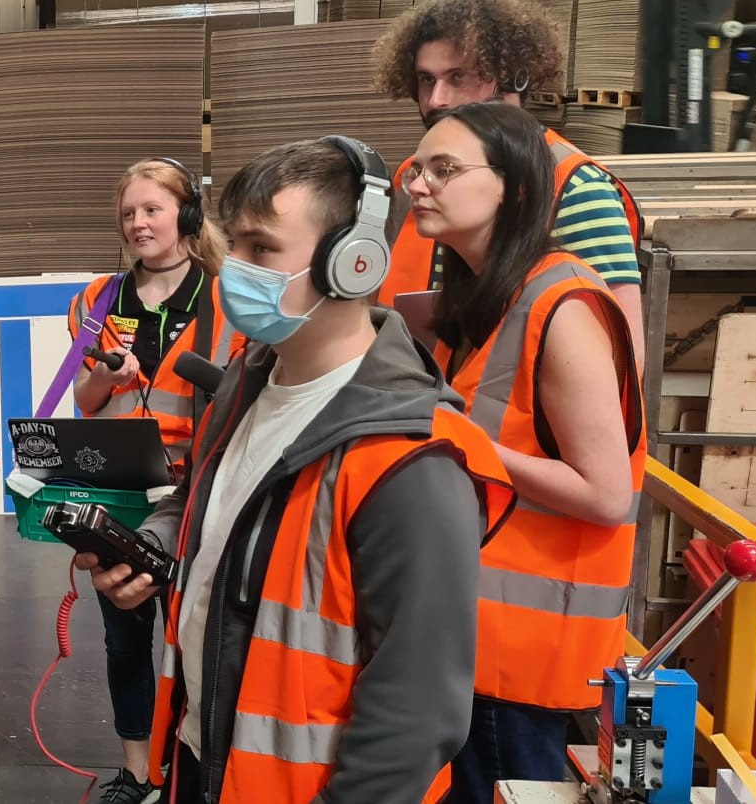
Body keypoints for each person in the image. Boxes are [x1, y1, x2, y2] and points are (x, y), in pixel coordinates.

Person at [79, 137, 513, 804]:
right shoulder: (245, 384)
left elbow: (416, 715)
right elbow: (198, 497)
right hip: (202, 763)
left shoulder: (411, 463)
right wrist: (154, 549)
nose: (234, 271)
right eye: (236, 245)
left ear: (355, 264)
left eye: (262, 249)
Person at [404, 102, 644, 803]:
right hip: (469, 636)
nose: (419, 184)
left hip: (523, 657)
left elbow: (606, 493)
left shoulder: (562, 305)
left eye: (445, 169)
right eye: (418, 169)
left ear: (512, 187)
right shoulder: (485, 298)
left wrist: (456, 440)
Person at [65, 158, 240, 804]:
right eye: (128, 213)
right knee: (123, 636)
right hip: (118, 490)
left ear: (187, 216)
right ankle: (137, 773)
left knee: (195, 633)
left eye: (152, 210)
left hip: (197, 490)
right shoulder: (95, 301)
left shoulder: (227, 296)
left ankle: (191, 767)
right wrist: (105, 377)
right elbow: (84, 399)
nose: (138, 223)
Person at [370, 0, 647, 361]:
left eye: (458, 77)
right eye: (426, 80)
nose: (437, 99)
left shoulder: (575, 186)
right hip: (414, 390)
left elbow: (620, 355)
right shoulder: (411, 178)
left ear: (513, 78)